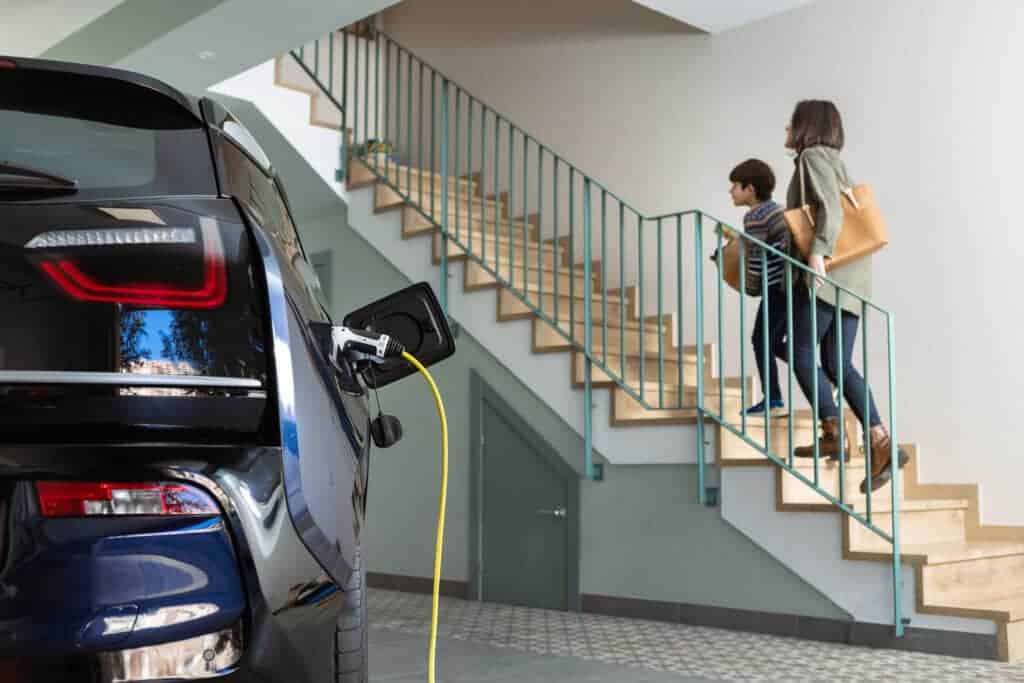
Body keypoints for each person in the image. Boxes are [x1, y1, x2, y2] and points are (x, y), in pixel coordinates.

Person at [784, 100, 906, 493]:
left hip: (830, 273)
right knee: (838, 362)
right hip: (855, 278)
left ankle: (835, 431)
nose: (787, 126)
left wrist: (817, 254)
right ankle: (880, 441)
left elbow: (831, 211)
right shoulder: (833, 159)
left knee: (799, 350)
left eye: (792, 121)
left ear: (807, 126)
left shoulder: (812, 156)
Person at [727, 159, 789, 417]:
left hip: (777, 287)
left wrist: (750, 287)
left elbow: (757, 259)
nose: (731, 192)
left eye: (735, 186)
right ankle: (822, 376)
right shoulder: (777, 209)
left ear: (750, 189)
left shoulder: (754, 216)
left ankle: (773, 400)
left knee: (760, 339)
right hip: (792, 285)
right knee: (773, 341)